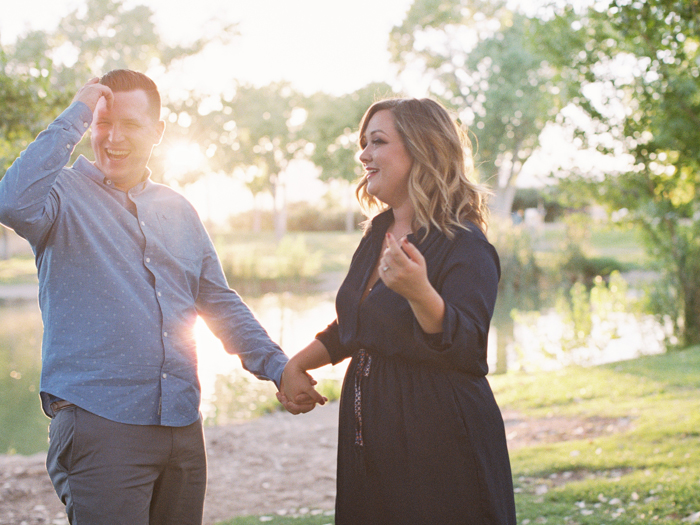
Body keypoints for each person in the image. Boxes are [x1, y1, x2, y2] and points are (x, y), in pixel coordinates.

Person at [0, 69, 322, 525]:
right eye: (102, 123)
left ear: (158, 132)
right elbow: (10, 202)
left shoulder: (178, 209)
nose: (112, 138)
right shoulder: (59, 197)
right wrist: (77, 111)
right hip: (100, 425)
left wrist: (276, 366)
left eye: (130, 124)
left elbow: (218, 303)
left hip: (182, 426)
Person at [279, 98, 517, 524]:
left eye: (378, 142)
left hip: (440, 440)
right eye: (363, 143)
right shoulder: (376, 233)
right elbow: (357, 325)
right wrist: (297, 363)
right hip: (370, 434)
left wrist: (420, 293)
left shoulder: (464, 242)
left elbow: (467, 346)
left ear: (422, 148)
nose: (363, 154)